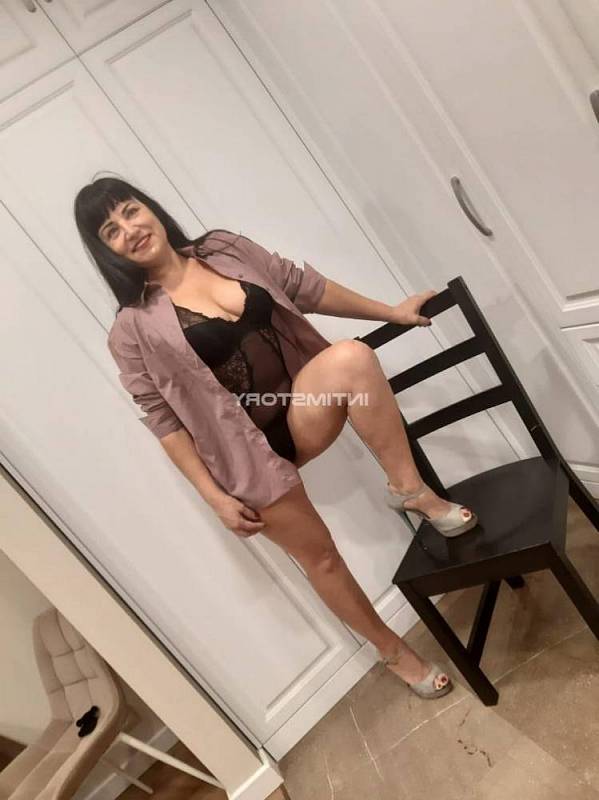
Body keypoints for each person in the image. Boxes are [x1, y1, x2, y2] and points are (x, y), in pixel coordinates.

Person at [74, 176, 478, 700]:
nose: (129, 230)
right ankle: (395, 653)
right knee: (322, 558)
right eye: (111, 230)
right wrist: (215, 498)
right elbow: (163, 420)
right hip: (246, 459)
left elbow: (305, 288)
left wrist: (391, 311)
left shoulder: (225, 250)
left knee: (353, 357)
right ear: (107, 252)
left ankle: (410, 490)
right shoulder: (131, 330)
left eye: (130, 211)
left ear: (149, 208)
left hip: (301, 410)